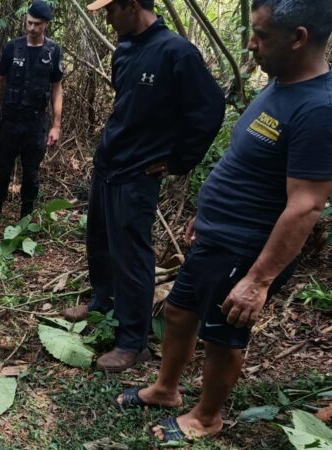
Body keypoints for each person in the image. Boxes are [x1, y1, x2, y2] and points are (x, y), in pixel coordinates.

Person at [115, 0, 332, 442]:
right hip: (218, 234)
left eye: (261, 35)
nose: (251, 44)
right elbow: (244, 163)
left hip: (247, 247)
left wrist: (258, 279)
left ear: (299, 38)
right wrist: (205, 214)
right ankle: (166, 389)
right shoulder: (280, 84)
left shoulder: (319, 109)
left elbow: (307, 205)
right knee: (178, 311)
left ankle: (207, 417)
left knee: (223, 337)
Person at [62, 0, 225, 371]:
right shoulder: (125, 48)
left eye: (110, 10)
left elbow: (209, 108)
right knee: (99, 239)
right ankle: (102, 300)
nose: (106, 17)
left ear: (132, 5)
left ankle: (132, 341)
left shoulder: (176, 52)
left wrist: (178, 160)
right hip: (108, 164)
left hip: (138, 173)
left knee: (132, 255)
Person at [0, 0, 64, 229]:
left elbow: (57, 87)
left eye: (37, 24)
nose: (32, 28)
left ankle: (25, 221)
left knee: (31, 174)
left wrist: (56, 125)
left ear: (46, 24)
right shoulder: (12, 47)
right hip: (9, 121)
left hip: (36, 123)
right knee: (2, 171)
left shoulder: (53, 51)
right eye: (29, 22)